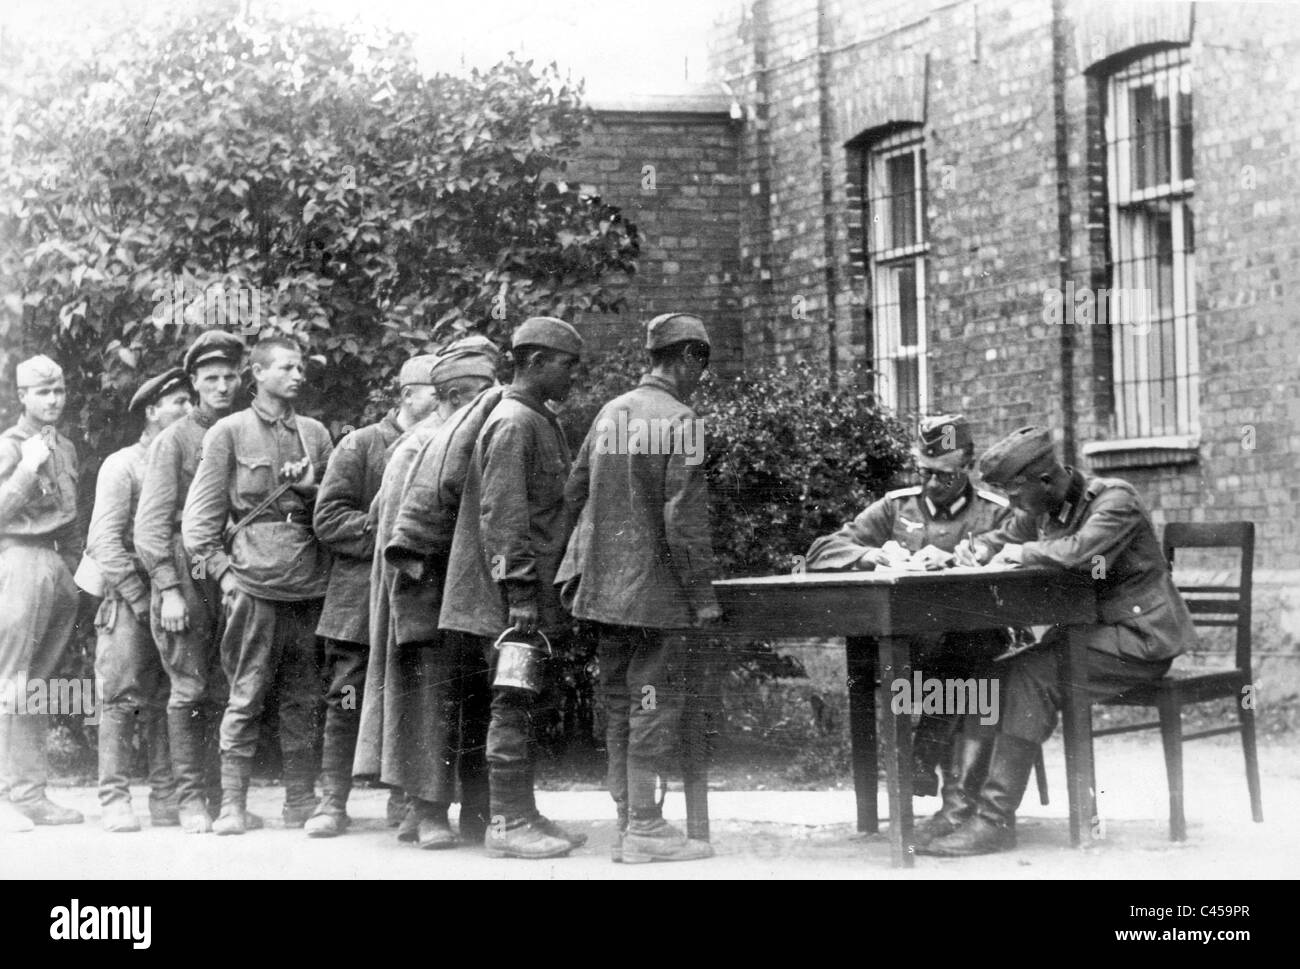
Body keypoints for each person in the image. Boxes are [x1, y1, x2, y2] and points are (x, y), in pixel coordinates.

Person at [921, 426, 1197, 856]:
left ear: (1046, 479)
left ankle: (993, 821)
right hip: (1088, 638)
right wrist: (969, 551)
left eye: (1015, 495)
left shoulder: (1114, 500)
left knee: (1031, 676)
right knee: (992, 676)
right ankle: (959, 811)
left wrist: (1021, 553)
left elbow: (1080, 552)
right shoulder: (1042, 506)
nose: (1012, 506)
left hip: (1139, 640)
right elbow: (1004, 537)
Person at [557, 312, 721, 864]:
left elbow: (573, 493)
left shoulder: (611, 413)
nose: (701, 376)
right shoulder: (683, 422)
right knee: (652, 704)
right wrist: (703, 599)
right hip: (656, 597)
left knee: (621, 702)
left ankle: (631, 820)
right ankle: (647, 828)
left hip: (603, 594)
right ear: (686, 358)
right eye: (701, 363)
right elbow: (685, 524)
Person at [805, 414, 1012, 810]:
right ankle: (930, 768)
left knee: (968, 649)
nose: (933, 484)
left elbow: (1018, 549)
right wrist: (873, 554)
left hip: (977, 644)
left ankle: (924, 757)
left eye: (944, 475)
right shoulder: (895, 507)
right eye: (925, 472)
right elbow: (821, 551)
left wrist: (961, 558)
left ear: (968, 466)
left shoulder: (994, 513)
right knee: (930, 661)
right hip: (911, 647)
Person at [440, 317, 585, 859]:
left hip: (521, 595)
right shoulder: (513, 423)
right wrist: (520, 594)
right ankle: (507, 823)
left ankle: (520, 812)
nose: (573, 377)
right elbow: (503, 516)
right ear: (536, 362)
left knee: (523, 703)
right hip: (507, 601)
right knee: (512, 703)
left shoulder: (534, 419)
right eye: (567, 366)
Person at [182, 335, 333, 836]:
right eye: (287, 367)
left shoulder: (316, 435)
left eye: (301, 368)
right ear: (259, 374)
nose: (298, 376)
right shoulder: (228, 432)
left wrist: (312, 488)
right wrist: (225, 578)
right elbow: (198, 524)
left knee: (304, 698)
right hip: (252, 586)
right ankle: (231, 806)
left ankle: (300, 802)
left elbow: (333, 516)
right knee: (244, 696)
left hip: (308, 586)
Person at [363, 338, 501, 848]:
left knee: (475, 705)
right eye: (484, 389)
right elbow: (395, 535)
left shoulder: (468, 438)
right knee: (429, 709)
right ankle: (426, 814)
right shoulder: (420, 445)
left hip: (466, 596)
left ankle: (476, 815)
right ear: (458, 393)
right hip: (425, 596)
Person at [302, 351, 442, 838]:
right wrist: (387, 531)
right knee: (345, 699)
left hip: (409, 599)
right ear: (408, 395)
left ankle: (404, 803)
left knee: (411, 701)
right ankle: (332, 803)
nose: (443, 399)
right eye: (434, 390)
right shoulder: (360, 445)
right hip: (357, 601)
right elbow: (328, 518)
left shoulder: (444, 442)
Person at [134, 331, 244, 833]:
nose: (222, 386)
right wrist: (169, 588)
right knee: (188, 685)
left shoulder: (243, 430)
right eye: (211, 378)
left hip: (231, 563)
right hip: (187, 565)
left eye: (230, 376)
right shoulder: (173, 438)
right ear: (195, 383)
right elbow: (151, 523)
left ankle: (225, 801)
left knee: (224, 683)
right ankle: (189, 800)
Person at [82, 367, 192, 832]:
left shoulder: (189, 462)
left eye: (190, 402)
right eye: (178, 403)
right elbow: (104, 540)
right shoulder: (123, 464)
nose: (188, 410)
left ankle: (167, 798)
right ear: (151, 411)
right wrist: (139, 597)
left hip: (177, 594)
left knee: (171, 694)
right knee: (122, 696)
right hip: (129, 598)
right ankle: (114, 798)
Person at [0, 354, 84, 831]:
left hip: (56, 568)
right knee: (9, 682)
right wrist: (27, 470)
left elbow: (71, 521)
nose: (53, 399)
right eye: (43, 392)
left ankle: (30, 794)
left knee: (37, 688)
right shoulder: (11, 447)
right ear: (23, 397)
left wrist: (77, 578)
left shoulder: (67, 448)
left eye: (59, 390)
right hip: (19, 561)